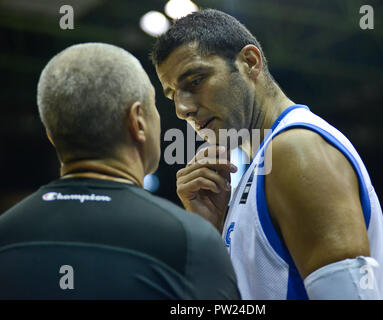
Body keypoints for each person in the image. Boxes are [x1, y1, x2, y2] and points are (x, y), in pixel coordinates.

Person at [152, 9, 383, 299]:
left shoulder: (296, 150)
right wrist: (212, 233)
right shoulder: (260, 165)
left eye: (195, 81)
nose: (182, 108)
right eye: (173, 94)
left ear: (249, 62)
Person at [0, 43, 240, 300]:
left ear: (51, 136)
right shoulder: (189, 242)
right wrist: (205, 239)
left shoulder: (6, 234)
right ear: (138, 121)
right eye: (155, 107)